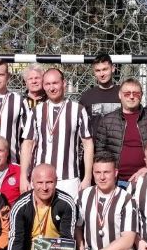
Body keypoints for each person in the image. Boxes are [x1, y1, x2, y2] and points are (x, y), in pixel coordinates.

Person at [20, 68, 93, 200]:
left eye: (55, 83)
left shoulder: (78, 110)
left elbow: (88, 145)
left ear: (63, 83)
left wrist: (87, 177)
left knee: (70, 219)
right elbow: (27, 144)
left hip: (68, 179)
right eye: (47, 84)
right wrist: (23, 177)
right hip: (41, 179)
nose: (51, 88)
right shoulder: (36, 111)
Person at [95, 78, 147, 189]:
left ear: (141, 95)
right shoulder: (107, 120)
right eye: (127, 93)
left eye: (135, 93)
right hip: (115, 182)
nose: (131, 97)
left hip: (146, 180)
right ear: (120, 95)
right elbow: (99, 153)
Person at [79, 53, 121, 135]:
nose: (102, 74)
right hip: (95, 146)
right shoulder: (86, 97)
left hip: (119, 145)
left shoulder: (123, 94)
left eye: (105, 69)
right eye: (98, 70)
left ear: (113, 68)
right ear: (94, 72)